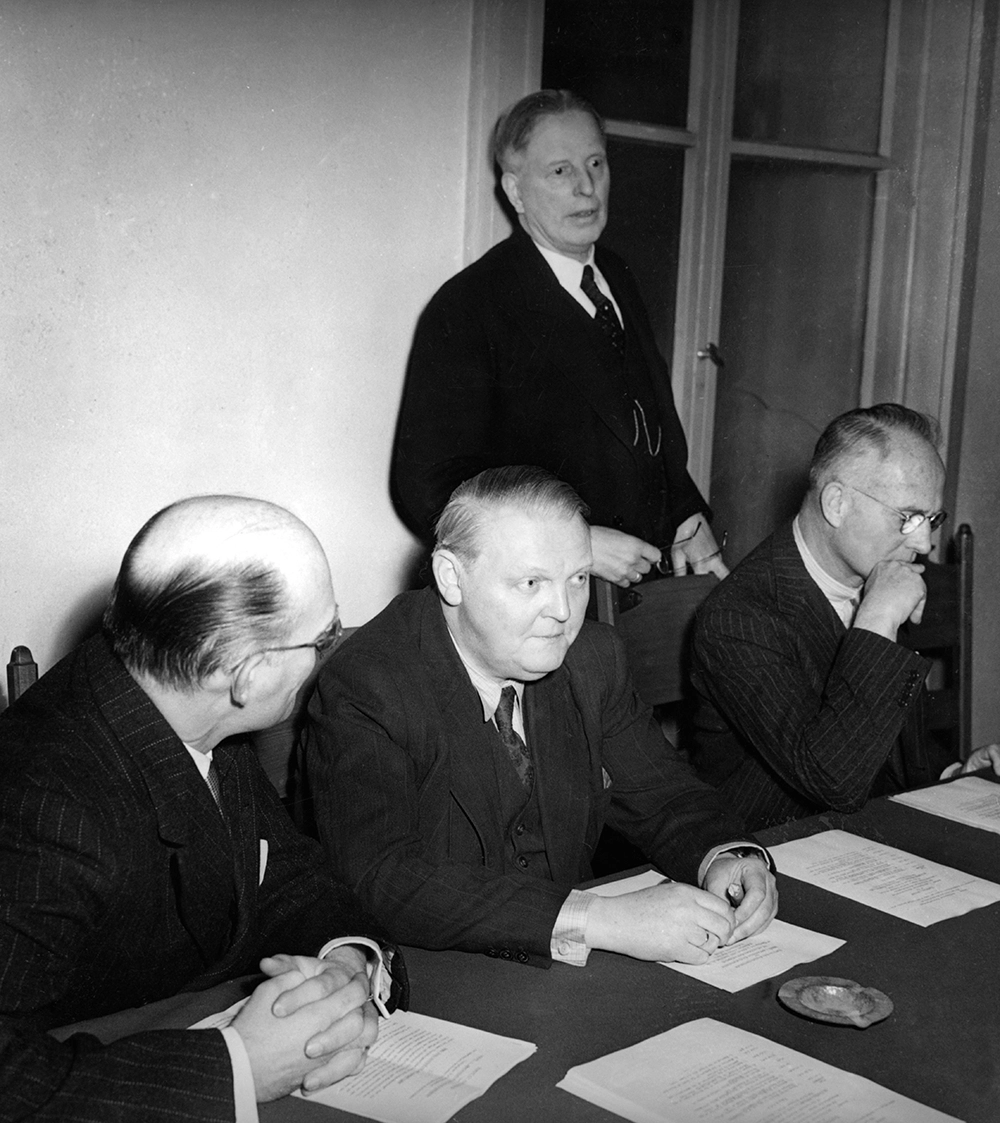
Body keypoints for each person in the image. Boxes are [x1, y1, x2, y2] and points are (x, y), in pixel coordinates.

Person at [0, 496, 407, 1123]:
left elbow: (293, 878)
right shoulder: (42, 804)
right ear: (247, 675)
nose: (331, 652)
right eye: (323, 637)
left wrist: (347, 965)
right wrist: (239, 1066)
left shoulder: (184, 704)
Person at [304, 466, 776, 969]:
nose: (563, 611)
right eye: (531, 582)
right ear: (451, 577)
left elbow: (664, 795)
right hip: (435, 977)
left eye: (577, 579)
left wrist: (727, 855)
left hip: (566, 979)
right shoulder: (371, 682)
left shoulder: (593, 657)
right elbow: (384, 876)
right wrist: (601, 919)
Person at [391, 88, 726, 590]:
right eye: (560, 171)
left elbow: (646, 432)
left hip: (646, 591)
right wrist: (575, 544)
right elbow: (426, 486)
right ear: (516, 190)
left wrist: (688, 516)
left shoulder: (617, 275)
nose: (587, 188)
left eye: (596, 163)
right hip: (538, 601)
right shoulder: (468, 307)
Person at [689, 404, 1000, 832]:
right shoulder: (739, 617)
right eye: (908, 517)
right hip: (769, 849)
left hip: (862, 835)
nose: (926, 543)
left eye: (931, 519)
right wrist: (876, 621)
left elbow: (881, 735)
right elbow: (831, 779)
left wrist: (953, 775)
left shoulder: (877, 575)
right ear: (836, 504)